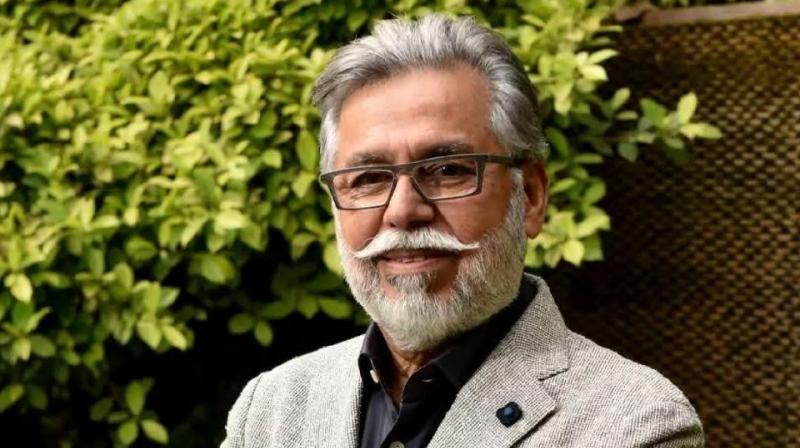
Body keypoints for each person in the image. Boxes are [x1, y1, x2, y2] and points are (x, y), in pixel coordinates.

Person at [221, 14, 703, 448]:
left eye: (448, 170)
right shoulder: (272, 408)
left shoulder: (634, 424)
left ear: (530, 195)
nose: (403, 211)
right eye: (368, 178)